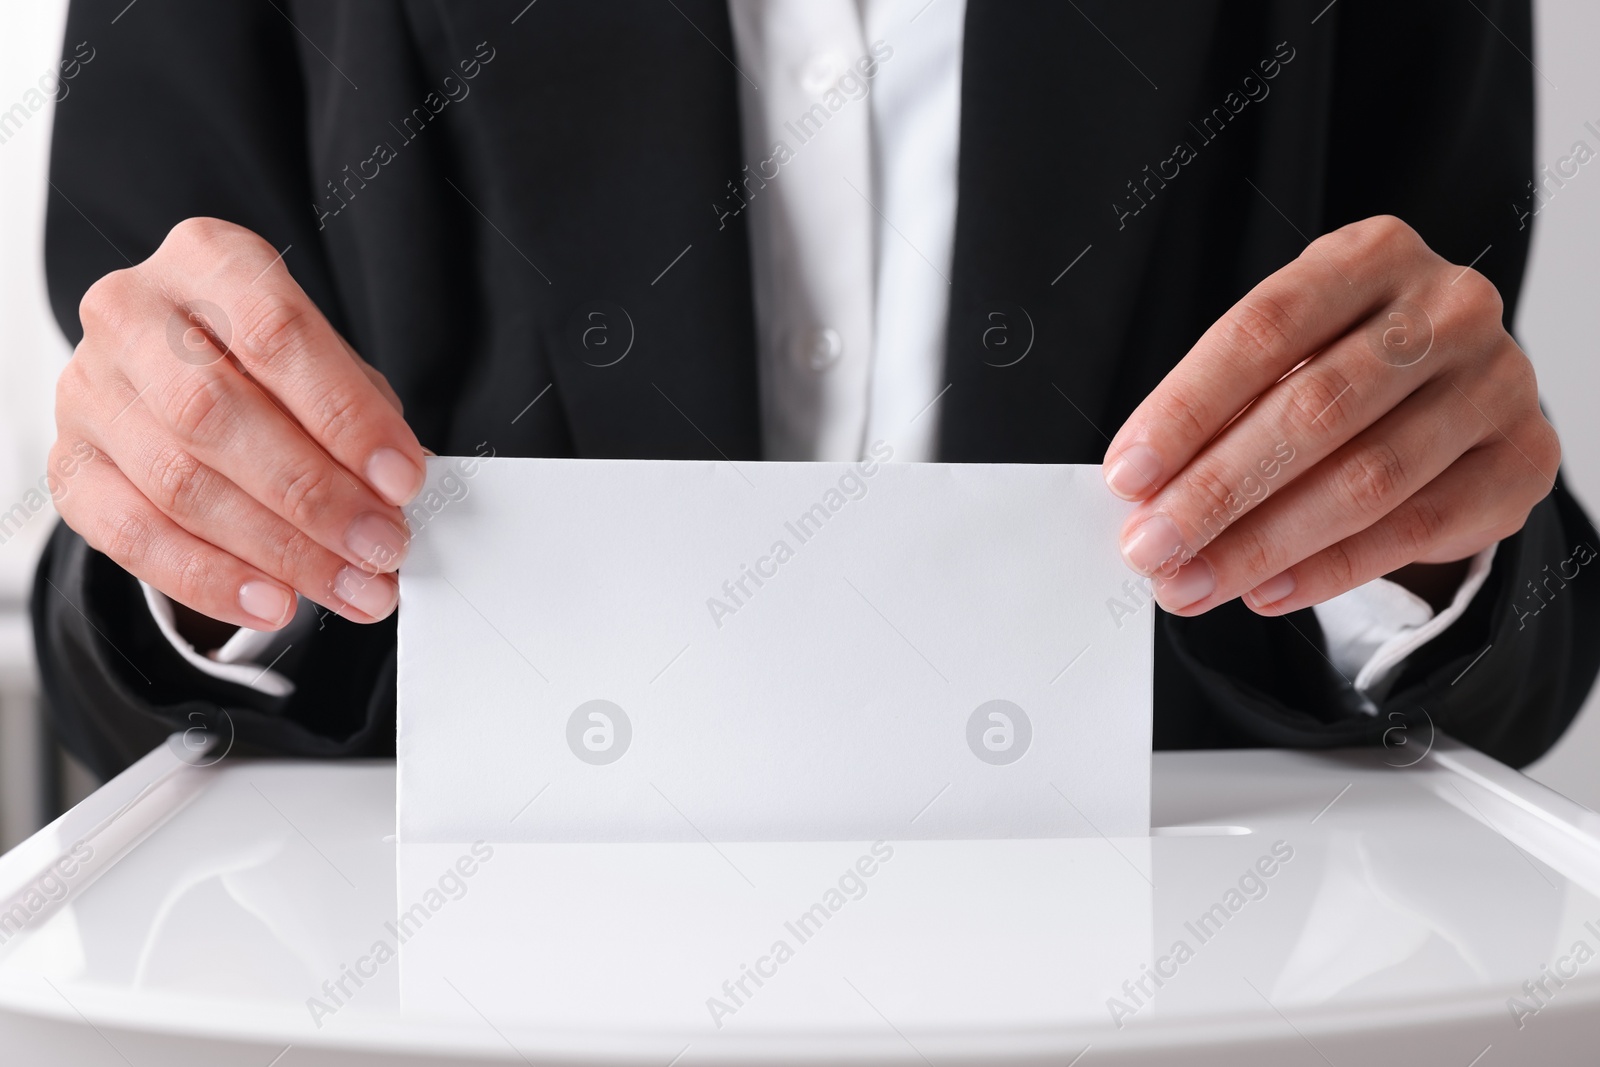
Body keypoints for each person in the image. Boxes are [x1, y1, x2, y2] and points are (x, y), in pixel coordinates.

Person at [32, 0, 1599, 780]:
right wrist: (208, 548)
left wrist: (1436, 551)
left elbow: (1480, 529)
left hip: (1183, 985)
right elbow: (133, 564)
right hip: (428, 993)